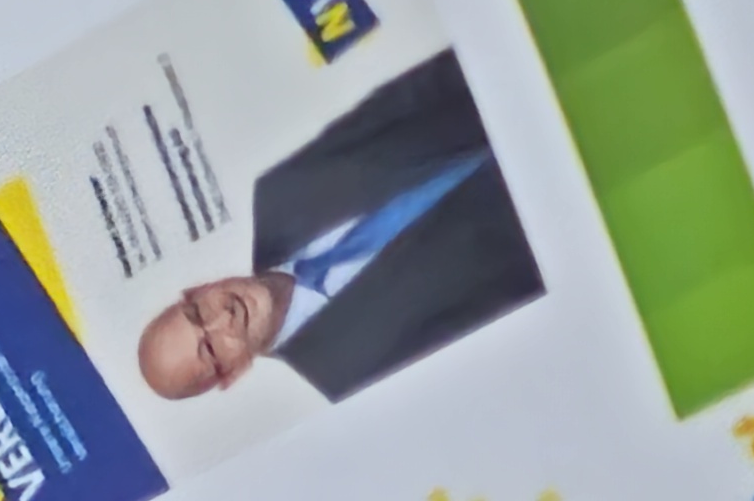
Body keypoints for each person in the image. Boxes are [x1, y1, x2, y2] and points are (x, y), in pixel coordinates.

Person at [128, 47, 540, 407]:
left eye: (198, 312)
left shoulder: (280, 192)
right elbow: (513, 316)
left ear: (199, 290)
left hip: (526, 82)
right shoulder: (357, 377)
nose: (224, 318)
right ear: (230, 375)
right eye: (212, 348)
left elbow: (412, 98)